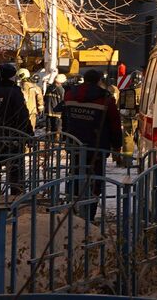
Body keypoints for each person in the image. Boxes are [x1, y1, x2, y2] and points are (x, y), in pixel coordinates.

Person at [62, 69, 122, 217]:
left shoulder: (70, 95)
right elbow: (115, 123)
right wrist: (117, 145)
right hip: (97, 146)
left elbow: (65, 118)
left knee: (75, 174)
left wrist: (66, 137)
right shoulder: (105, 99)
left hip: (75, 144)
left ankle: (75, 211)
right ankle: (90, 213)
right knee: (95, 179)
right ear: (99, 81)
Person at [0, 63, 34, 195]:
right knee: (15, 169)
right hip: (12, 138)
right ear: (11, 77)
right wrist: (28, 134)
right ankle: (16, 197)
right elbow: (22, 115)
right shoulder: (15, 93)